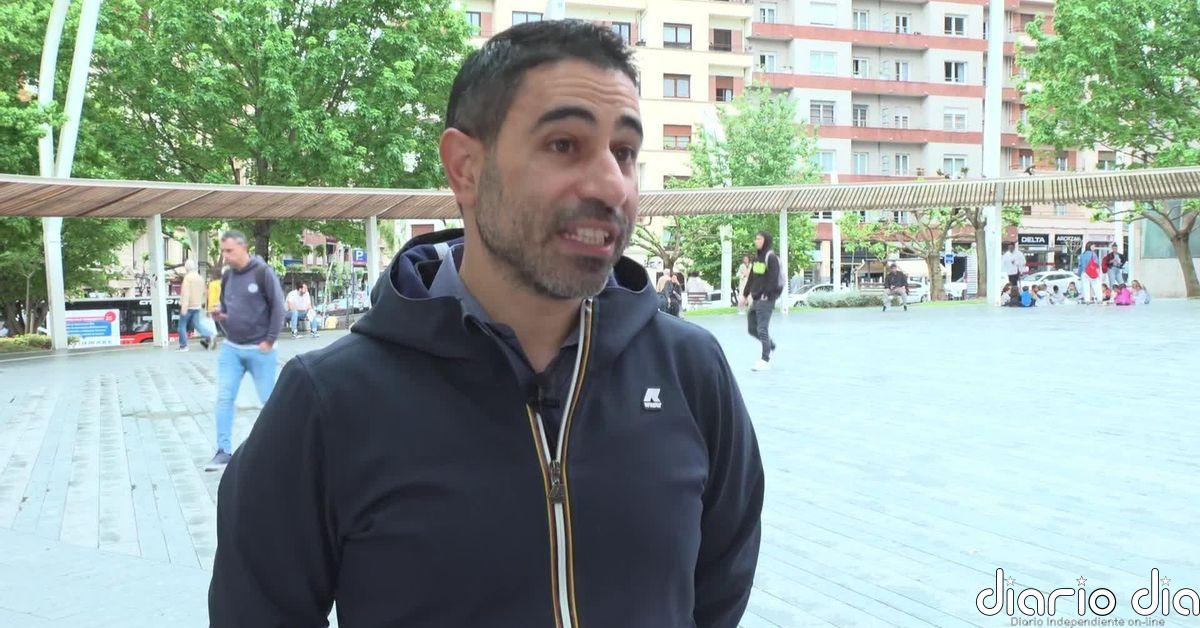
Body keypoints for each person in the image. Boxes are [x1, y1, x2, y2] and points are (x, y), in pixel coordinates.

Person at [209, 21, 763, 628]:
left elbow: (719, 589)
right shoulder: (328, 403)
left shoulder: (691, 372)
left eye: (624, 152)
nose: (612, 184)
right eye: (564, 144)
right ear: (466, 168)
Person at [206, 230, 285, 471]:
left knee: (269, 401)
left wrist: (269, 341)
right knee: (224, 397)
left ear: (243, 248)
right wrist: (220, 317)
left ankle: (280, 448)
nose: (225, 255)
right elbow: (227, 311)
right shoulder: (228, 277)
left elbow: (278, 307)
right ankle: (223, 451)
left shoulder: (262, 273)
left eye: (229, 250)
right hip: (232, 348)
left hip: (260, 350)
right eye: (223, 251)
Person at [743, 231, 782, 371]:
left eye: (759, 239)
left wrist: (767, 294)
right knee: (752, 329)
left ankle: (765, 360)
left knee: (762, 329)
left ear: (766, 241)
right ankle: (770, 345)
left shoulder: (771, 257)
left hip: (765, 299)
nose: (756, 241)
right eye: (756, 239)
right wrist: (744, 295)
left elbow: (773, 279)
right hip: (756, 299)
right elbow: (752, 278)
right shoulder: (758, 258)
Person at [178, 259, 213, 351]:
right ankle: (209, 335)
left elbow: (186, 294)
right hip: (197, 306)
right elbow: (205, 292)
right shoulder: (200, 278)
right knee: (197, 324)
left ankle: (183, 346)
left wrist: (184, 307)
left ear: (186, 268)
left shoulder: (187, 278)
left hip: (188, 306)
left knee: (182, 325)